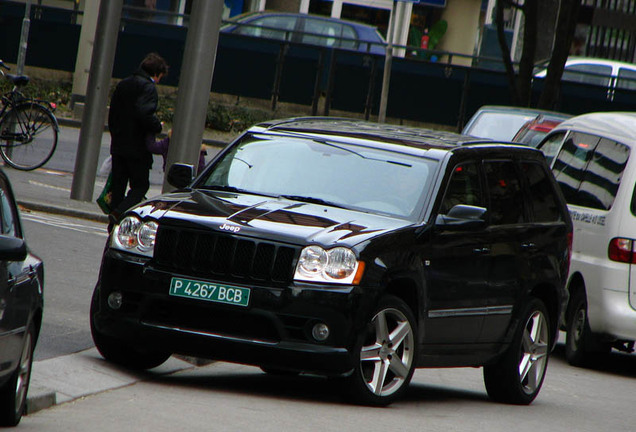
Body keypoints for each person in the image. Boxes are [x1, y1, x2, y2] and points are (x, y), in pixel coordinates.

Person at [107, 52, 168, 229]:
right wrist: (157, 126)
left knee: (118, 186)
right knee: (140, 186)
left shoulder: (123, 84)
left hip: (118, 145)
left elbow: (113, 116)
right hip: (137, 148)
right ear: (156, 73)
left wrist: (116, 136)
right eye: (160, 77)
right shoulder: (148, 87)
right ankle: (118, 214)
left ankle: (112, 224)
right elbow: (144, 113)